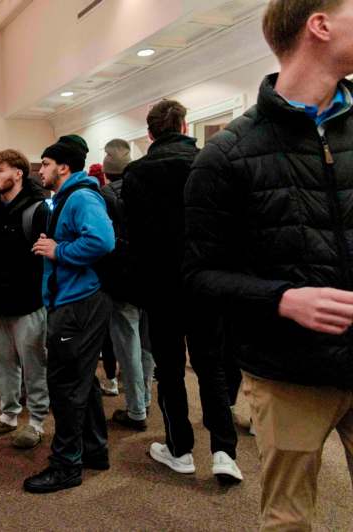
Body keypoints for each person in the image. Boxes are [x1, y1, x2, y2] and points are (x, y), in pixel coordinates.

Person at [184, 0, 353, 527]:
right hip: (287, 373)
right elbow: (198, 277)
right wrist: (281, 298)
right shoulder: (227, 154)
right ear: (319, 26)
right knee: (289, 519)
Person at [122, 100, 242, 483]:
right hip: (205, 282)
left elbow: (132, 238)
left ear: (150, 132)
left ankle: (180, 448)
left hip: (160, 287)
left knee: (170, 371)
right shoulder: (210, 162)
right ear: (186, 126)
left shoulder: (137, 173)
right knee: (212, 368)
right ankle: (224, 450)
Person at [23, 134, 115, 493]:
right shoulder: (67, 198)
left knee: (65, 385)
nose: (41, 169)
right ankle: (94, 450)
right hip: (74, 302)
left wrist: (60, 251)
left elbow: (102, 241)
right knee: (81, 381)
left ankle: (66, 466)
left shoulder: (80, 197)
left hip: (78, 305)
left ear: (63, 166)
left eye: (45, 164)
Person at [0, 149, 50, 449]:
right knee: (1, 364)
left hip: (27, 303)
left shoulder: (38, 210)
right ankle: (8, 415)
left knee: (34, 365)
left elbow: (47, 258)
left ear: (18, 173)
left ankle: (38, 422)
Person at [99, 139, 154, 431]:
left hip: (121, 279)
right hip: (151, 275)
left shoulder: (104, 196)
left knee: (127, 345)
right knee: (146, 345)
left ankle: (136, 409)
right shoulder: (147, 189)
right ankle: (144, 400)